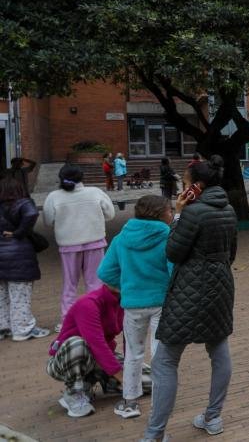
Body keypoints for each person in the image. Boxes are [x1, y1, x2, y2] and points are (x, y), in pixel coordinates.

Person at [141, 156, 237, 442]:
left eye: (184, 183)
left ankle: (154, 434)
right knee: (219, 349)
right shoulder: (229, 209)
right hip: (221, 285)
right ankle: (213, 416)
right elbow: (231, 253)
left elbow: (173, 251)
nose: (181, 189)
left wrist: (179, 213)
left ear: (196, 186)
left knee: (165, 360)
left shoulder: (193, 213)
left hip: (191, 288)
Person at [97, 194, 173, 419]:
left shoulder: (122, 237)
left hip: (133, 305)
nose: (172, 213)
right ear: (159, 214)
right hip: (161, 303)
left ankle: (129, 402)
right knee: (161, 354)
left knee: (133, 353)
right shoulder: (168, 236)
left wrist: (127, 287)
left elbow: (105, 272)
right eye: (169, 210)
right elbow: (174, 270)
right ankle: (160, 403)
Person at [43, 164, 116, 325]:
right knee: (95, 283)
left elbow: (48, 221)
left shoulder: (54, 196)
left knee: (69, 284)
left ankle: (68, 320)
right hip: (95, 242)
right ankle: (97, 317)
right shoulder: (95, 192)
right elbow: (110, 214)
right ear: (82, 177)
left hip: (68, 245)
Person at [45, 284, 124, 418]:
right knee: (78, 345)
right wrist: (123, 378)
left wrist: (130, 373)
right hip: (65, 360)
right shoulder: (88, 304)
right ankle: (73, 393)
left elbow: (132, 341)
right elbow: (97, 345)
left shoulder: (126, 301)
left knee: (148, 381)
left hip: (99, 359)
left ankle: (106, 383)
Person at [0, 172, 50, 341]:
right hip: (18, 256)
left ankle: (2, 327)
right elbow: (31, 214)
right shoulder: (23, 203)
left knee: (1, 295)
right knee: (20, 295)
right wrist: (19, 232)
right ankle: (23, 329)